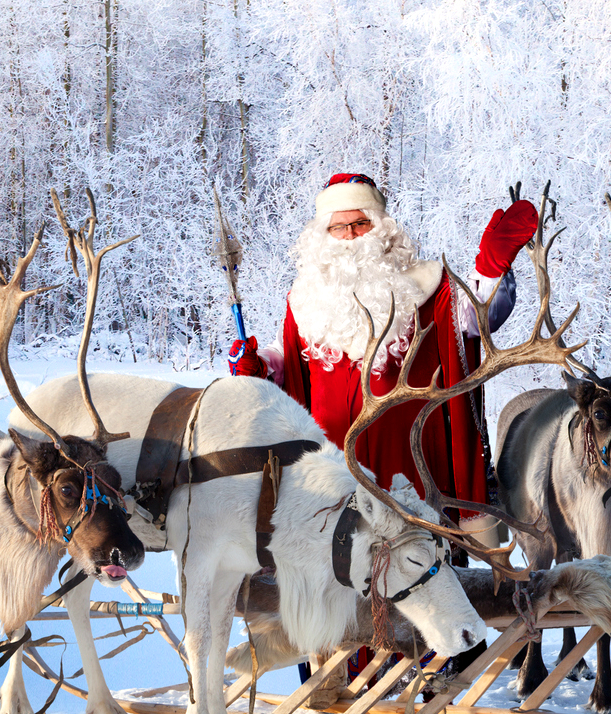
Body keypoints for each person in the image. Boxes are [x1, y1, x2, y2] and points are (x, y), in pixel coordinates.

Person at [228, 173, 539, 518]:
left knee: (413, 553)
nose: (349, 235)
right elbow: (289, 355)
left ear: (381, 227)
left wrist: (491, 268)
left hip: (410, 463)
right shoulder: (306, 296)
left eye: (361, 223)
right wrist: (260, 365)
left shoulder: (426, 285)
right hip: (327, 465)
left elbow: (475, 317)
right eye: (339, 227)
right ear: (323, 236)